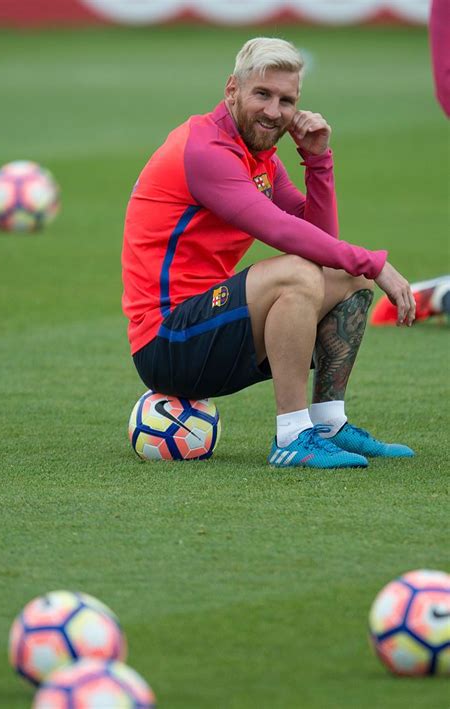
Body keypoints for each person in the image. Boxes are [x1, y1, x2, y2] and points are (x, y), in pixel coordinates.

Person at [122, 37, 416, 469]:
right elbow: (280, 230)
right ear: (232, 90)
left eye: (286, 100)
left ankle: (328, 424)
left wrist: (318, 162)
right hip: (166, 342)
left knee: (347, 278)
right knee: (298, 273)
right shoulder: (205, 150)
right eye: (262, 94)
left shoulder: (261, 157)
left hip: (209, 326)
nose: (274, 111)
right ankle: (293, 436)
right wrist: (376, 261)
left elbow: (320, 241)